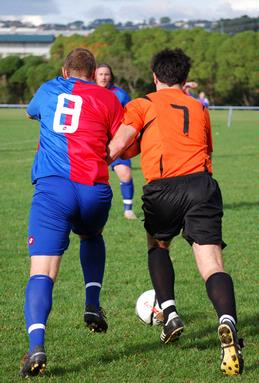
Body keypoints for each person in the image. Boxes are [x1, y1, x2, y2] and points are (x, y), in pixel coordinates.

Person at [107, 48, 244, 376]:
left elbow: (120, 143)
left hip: (163, 189)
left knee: (158, 245)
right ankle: (227, 323)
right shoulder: (199, 107)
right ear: (184, 80)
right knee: (211, 264)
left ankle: (169, 312)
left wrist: (99, 160)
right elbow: (207, 148)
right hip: (201, 185)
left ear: (155, 76)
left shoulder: (143, 104)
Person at [20, 48, 124, 378]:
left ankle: (37, 345)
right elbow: (123, 139)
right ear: (95, 74)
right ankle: (92, 303)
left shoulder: (49, 89)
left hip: (54, 190)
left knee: (43, 271)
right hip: (94, 188)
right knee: (92, 235)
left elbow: (31, 112)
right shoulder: (109, 98)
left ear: (65, 70)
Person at [95, 63, 137, 220]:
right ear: (94, 76)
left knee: (125, 175)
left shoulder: (120, 94)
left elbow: (131, 115)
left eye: (106, 74)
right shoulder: (89, 92)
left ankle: (128, 210)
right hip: (94, 142)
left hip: (116, 142)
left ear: (111, 76)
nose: (104, 77)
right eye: (101, 74)